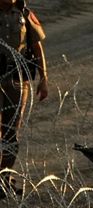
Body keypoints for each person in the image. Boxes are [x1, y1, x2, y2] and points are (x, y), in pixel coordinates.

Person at [0, 0, 48, 196]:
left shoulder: (25, 15)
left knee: (11, 132)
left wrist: (44, 78)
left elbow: (37, 48)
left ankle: (4, 178)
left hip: (18, 79)